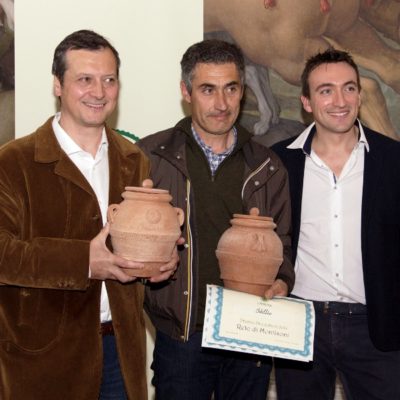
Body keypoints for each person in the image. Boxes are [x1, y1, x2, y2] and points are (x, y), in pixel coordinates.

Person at [0, 29, 178, 400]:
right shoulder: (14, 162)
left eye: (109, 80)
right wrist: (82, 261)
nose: (99, 92)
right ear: (57, 85)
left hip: (120, 351)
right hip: (42, 359)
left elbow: (133, 253)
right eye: (85, 79)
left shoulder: (133, 159)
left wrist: (159, 261)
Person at [138, 39, 294, 400]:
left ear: (243, 90)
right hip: (182, 335)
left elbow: (283, 244)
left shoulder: (267, 165)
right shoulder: (151, 156)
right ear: (186, 92)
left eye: (231, 89)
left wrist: (283, 280)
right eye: (208, 89)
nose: (222, 104)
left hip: (249, 332)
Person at [271, 48, 400, 400]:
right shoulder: (279, 161)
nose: (340, 101)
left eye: (349, 88)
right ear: (307, 102)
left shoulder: (393, 160)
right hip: (299, 323)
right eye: (326, 90)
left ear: (359, 95)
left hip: (377, 327)